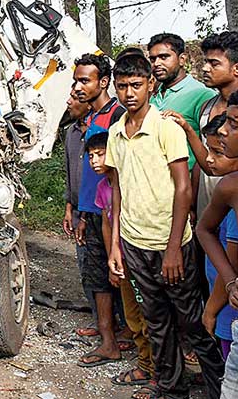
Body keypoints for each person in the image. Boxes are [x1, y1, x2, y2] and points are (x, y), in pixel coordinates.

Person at [106, 52, 224, 399]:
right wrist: (116, 245)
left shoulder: (166, 128)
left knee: (191, 321)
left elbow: (183, 187)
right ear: (116, 87)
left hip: (171, 244)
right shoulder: (115, 133)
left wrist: (174, 247)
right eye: (123, 86)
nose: (129, 93)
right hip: (133, 241)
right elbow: (117, 189)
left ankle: (223, 388)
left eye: (137, 85)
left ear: (150, 85)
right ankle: (172, 389)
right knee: (155, 321)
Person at [88, 128, 156, 395]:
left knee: (150, 315)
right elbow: (107, 223)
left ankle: (155, 368)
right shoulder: (103, 187)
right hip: (122, 260)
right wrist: (111, 258)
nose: (94, 160)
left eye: (100, 154)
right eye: (91, 155)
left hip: (140, 257)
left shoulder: (130, 182)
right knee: (132, 315)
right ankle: (144, 364)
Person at [196, 86, 238, 398]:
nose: (225, 132)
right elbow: (205, 230)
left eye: (235, 124)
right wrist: (230, 281)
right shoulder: (234, 187)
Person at [72, 53, 126, 367]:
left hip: (111, 210)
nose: (78, 87)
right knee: (97, 277)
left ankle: (120, 340)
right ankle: (109, 339)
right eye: (76, 80)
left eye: (85, 80)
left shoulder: (117, 115)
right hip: (92, 210)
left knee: (115, 274)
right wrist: (81, 211)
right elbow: (88, 174)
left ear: (103, 82)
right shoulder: (90, 118)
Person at [164, 31, 238, 218]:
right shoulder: (206, 106)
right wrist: (193, 202)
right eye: (205, 62)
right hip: (209, 205)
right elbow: (202, 162)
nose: (205, 68)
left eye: (214, 63)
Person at [198, 113, 238, 361]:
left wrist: (211, 309)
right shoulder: (228, 194)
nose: (209, 159)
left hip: (230, 309)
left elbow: (232, 262)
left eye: (219, 153)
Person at [148, 33, 216, 171]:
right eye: (153, 59)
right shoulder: (153, 96)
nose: (157, 64)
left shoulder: (202, 95)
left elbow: (213, 150)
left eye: (164, 57)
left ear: (182, 59)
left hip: (187, 184)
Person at [63, 86, 99, 337]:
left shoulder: (97, 132)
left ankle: (115, 322)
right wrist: (68, 208)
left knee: (98, 267)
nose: (69, 101)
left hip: (94, 211)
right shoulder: (69, 133)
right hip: (76, 210)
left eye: (75, 98)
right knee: (84, 265)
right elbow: (68, 173)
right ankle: (99, 319)